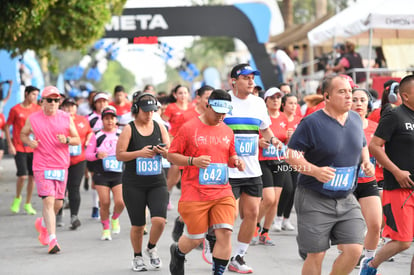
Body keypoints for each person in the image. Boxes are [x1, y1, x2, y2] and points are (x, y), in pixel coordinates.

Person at [286, 74, 374, 274]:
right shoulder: (311, 123)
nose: (348, 96)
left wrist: (366, 162)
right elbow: (291, 155)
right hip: (314, 197)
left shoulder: (354, 118)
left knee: (354, 249)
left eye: (350, 91)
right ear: (326, 96)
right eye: (342, 92)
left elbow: (362, 144)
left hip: (346, 197)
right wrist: (315, 171)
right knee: (316, 254)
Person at [168, 89, 245, 275]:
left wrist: (236, 160)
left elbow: (230, 154)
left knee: (225, 233)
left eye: (224, 112)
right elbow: (171, 155)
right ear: (207, 105)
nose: (221, 116)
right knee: (195, 239)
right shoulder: (188, 128)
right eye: (217, 111)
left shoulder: (227, 130)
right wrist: (192, 161)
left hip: (222, 191)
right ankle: (178, 252)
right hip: (195, 192)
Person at [224, 63, 283, 273]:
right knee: (227, 217)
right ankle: (217, 246)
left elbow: (265, 129)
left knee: (251, 214)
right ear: (234, 81)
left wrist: (274, 141)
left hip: (252, 170)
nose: (251, 82)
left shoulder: (258, 103)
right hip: (227, 169)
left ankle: (238, 256)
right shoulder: (224, 101)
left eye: (252, 78)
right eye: (246, 78)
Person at [362, 75, 414, 275]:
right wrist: (396, 171)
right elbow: (375, 146)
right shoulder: (394, 116)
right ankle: (371, 266)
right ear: (406, 96)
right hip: (400, 188)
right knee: (403, 242)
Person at [20, 86, 80, 254]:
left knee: (58, 203)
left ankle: (44, 224)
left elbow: (77, 140)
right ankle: (53, 239)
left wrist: (67, 139)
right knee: (48, 200)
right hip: (42, 166)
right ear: (42, 102)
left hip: (61, 165)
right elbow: (23, 134)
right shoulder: (33, 119)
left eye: (56, 100)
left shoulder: (66, 118)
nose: (53, 103)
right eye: (50, 100)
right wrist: (29, 142)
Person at [116, 93, 170, 271]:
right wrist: (139, 153)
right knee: (138, 225)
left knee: (159, 220)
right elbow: (120, 155)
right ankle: (137, 256)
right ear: (136, 110)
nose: (149, 114)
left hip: (157, 182)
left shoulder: (159, 126)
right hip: (134, 184)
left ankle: (151, 248)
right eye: (145, 111)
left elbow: (169, 148)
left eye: (152, 111)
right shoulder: (129, 129)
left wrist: (161, 151)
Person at [251, 87, 290, 246]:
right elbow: (252, 136)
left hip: (280, 161)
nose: (275, 100)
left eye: (278, 97)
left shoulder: (283, 117)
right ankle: (254, 225)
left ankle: (265, 233)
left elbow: (286, 139)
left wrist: (288, 141)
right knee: (268, 198)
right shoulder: (261, 117)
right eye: (272, 97)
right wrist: (258, 142)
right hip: (263, 160)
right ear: (265, 101)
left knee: (275, 201)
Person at [351, 88, 382, 268]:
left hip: (368, 181)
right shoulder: (342, 125)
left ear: (368, 104)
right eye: (354, 100)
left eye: (362, 100)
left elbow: (382, 152)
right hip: (346, 183)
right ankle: (349, 252)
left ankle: (368, 261)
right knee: (352, 227)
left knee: (375, 224)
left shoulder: (375, 127)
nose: (358, 104)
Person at [85, 106, 125, 241]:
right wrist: (97, 154)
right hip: (101, 172)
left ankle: (115, 218)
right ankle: (106, 228)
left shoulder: (122, 134)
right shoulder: (97, 135)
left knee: (121, 202)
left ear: (116, 120)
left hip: (118, 172)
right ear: (102, 120)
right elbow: (88, 155)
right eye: (106, 118)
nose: (109, 121)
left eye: (112, 118)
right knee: (105, 202)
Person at [58, 97, 93, 229]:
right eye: (66, 106)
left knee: (74, 188)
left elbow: (89, 132)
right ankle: (59, 215)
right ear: (62, 108)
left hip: (78, 159)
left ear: (76, 108)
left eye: (72, 106)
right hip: (61, 160)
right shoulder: (58, 120)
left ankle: (74, 216)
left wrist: (88, 140)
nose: (69, 109)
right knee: (61, 189)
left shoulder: (82, 120)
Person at [6, 85, 41, 214]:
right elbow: (6, 126)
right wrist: (10, 144)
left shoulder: (38, 109)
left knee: (32, 177)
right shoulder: (15, 110)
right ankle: (17, 198)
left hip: (33, 148)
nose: (35, 97)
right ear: (26, 94)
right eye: (33, 94)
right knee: (22, 176)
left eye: (37, 95)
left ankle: (28, 203)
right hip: (19, 147)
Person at [161, 85, 192, 210]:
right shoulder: (171, 108)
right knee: (174, 175)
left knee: (189, 174)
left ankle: (189, 201)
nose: (183, 95)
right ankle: (165, 197)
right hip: (175, 144)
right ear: (175, 95)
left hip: (190, 145)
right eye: (180, 93)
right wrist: (168, 139)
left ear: (188, 95)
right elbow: (162, 124)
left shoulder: (192, 108)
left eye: (185, 93)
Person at [87, 92, 110, 219]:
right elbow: (85, 133)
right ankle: (95, 206)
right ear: (94, 103)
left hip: (109, 154)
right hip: (95, 153)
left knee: (111, 180)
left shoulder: (112, 116)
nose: (102, 104)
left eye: (104, 101)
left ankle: (104, 205)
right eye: (99, 102)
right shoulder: (90, 118)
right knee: (95, 181)